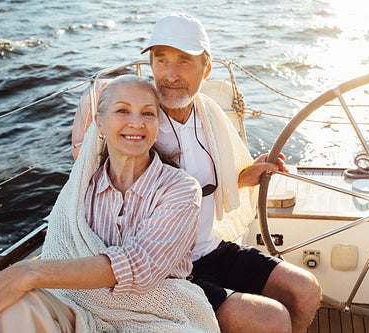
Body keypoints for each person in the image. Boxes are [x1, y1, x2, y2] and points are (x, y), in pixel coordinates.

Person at [0, 75, 219, 333]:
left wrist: (29, 272)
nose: (136, 122)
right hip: (77, 304)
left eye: (148, 113)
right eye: (122, 110)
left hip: (158, 317)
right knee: (14, 306)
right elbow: (59, 251)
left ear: (157, 123)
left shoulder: (181, 189)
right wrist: (25, 277)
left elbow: (141, 263)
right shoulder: (80, 189)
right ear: (99, 122)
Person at [141, 13, 322, 333]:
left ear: (206, 69)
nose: (169, 75)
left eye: (183, 61)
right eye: (160, 60)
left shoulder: (209, 114)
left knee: (305, 290)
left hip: (211, 248)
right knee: (271, 319)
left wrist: (248, 172)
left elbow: (220, 178)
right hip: (166, 271)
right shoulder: (139, 120)